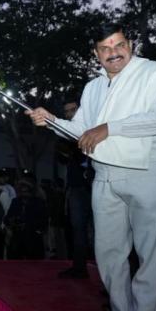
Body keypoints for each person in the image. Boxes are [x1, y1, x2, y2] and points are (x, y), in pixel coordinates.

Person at [26, 22, 156, 311]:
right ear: (96, 54)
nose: (113, 53)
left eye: (119, 45)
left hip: (145, 172)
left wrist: (110, 128)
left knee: (151, 256)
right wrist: (51, 120)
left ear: (131, 44)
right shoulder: (94, 87)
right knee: (109, 254)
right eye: (105, 48)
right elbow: (81, 131)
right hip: (104, 175)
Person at [59, 99, 94, 279]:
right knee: (77, 228)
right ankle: (79, 267)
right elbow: (62, 156)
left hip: (98, 186)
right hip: (77, 188)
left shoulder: (94, 126)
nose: (70, 114)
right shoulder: (65, 133)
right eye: (66, 111)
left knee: (104, 231)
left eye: (73, 109)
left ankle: (112, 278)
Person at [4, 178, 48, 259]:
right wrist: (12, 221)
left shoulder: (39, 202)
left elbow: (44, 221)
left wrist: (29, 225)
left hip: (33, 239)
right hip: (17, 239)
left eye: (26, 188)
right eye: (21, 188)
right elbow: (7, 219)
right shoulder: (15, 201)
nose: (24, 190)